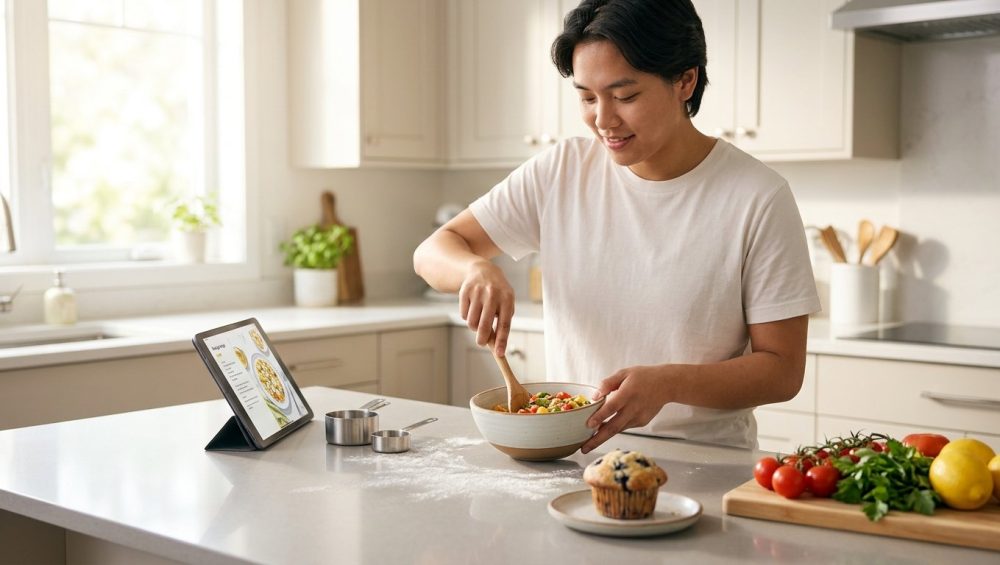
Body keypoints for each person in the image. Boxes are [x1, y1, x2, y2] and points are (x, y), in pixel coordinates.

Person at [413, 0, 820, 452]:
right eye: (587, 97)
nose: (603, 120)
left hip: (704, 461)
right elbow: (433, 251)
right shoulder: (561, 171)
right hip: (575, 454)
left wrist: (668, 383)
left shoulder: (757, 196)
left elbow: (783, 371)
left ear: (685, 80)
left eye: (625, 96)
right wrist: (474, 269)